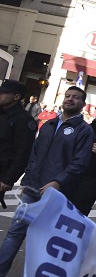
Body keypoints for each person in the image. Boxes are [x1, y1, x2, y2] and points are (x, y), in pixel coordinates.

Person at [0, 85, 93, 277]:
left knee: (48, 240)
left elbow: (80, 162)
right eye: (67, 96)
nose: (70, 99)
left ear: (83, 104)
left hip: (57, 194)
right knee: (15, 233)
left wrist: (58, 182)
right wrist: (27, 179)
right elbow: (34, 153)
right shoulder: (49, 124)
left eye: (75, 97)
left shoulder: (84, 131)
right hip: (32, 188)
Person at [0, 80, 36, 209]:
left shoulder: (23, 120)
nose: (0, 95)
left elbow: (23, 153)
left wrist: (9, 179)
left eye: (3, 93)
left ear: (16, 97)